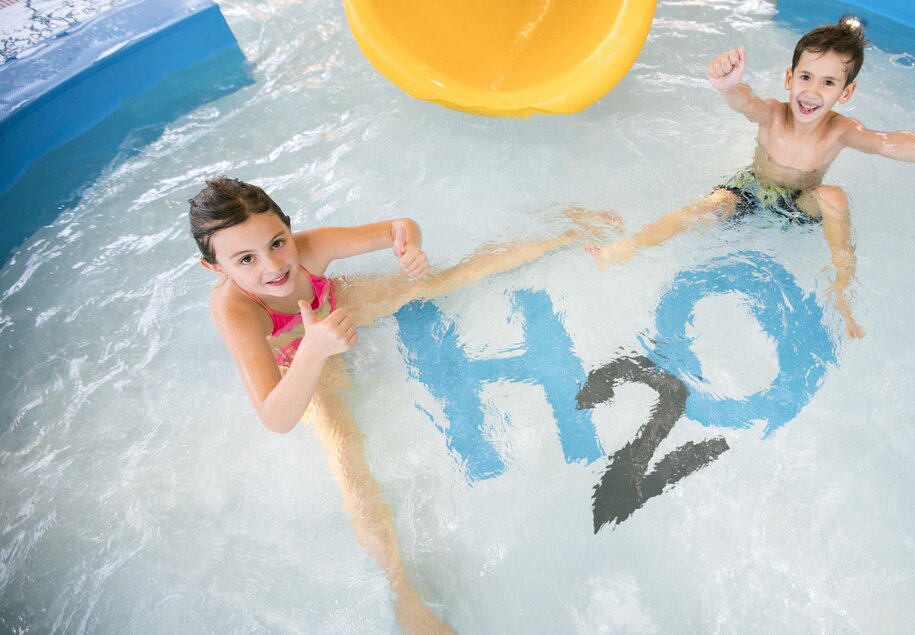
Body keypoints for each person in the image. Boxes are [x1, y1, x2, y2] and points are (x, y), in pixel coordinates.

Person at [189, 176, 617, 634]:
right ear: (215, 268)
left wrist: (408, 248)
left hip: (337, 309)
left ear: (289, 228)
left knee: (448, 279)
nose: (273, 265)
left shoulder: (310, 249)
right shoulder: (235, 311)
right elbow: (275, 416)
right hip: (300, 362)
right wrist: (314, 350)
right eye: (246, 259)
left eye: (278, 242)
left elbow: (398, 226)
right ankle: (407, 597)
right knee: (348, 457)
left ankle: (568, 232)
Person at [586, 15, 915, 339]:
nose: (812, 92)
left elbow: (889, 142)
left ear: (846, 93)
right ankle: (628, 247)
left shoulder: (841, 130)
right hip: (748, 192)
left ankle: (841, 293)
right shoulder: (773, 114)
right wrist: (728, 85)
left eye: (828, 83)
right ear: (789, 78)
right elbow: (744, 101)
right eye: (805, 77)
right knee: (709, 206)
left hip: (797, 205)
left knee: (834, 196)